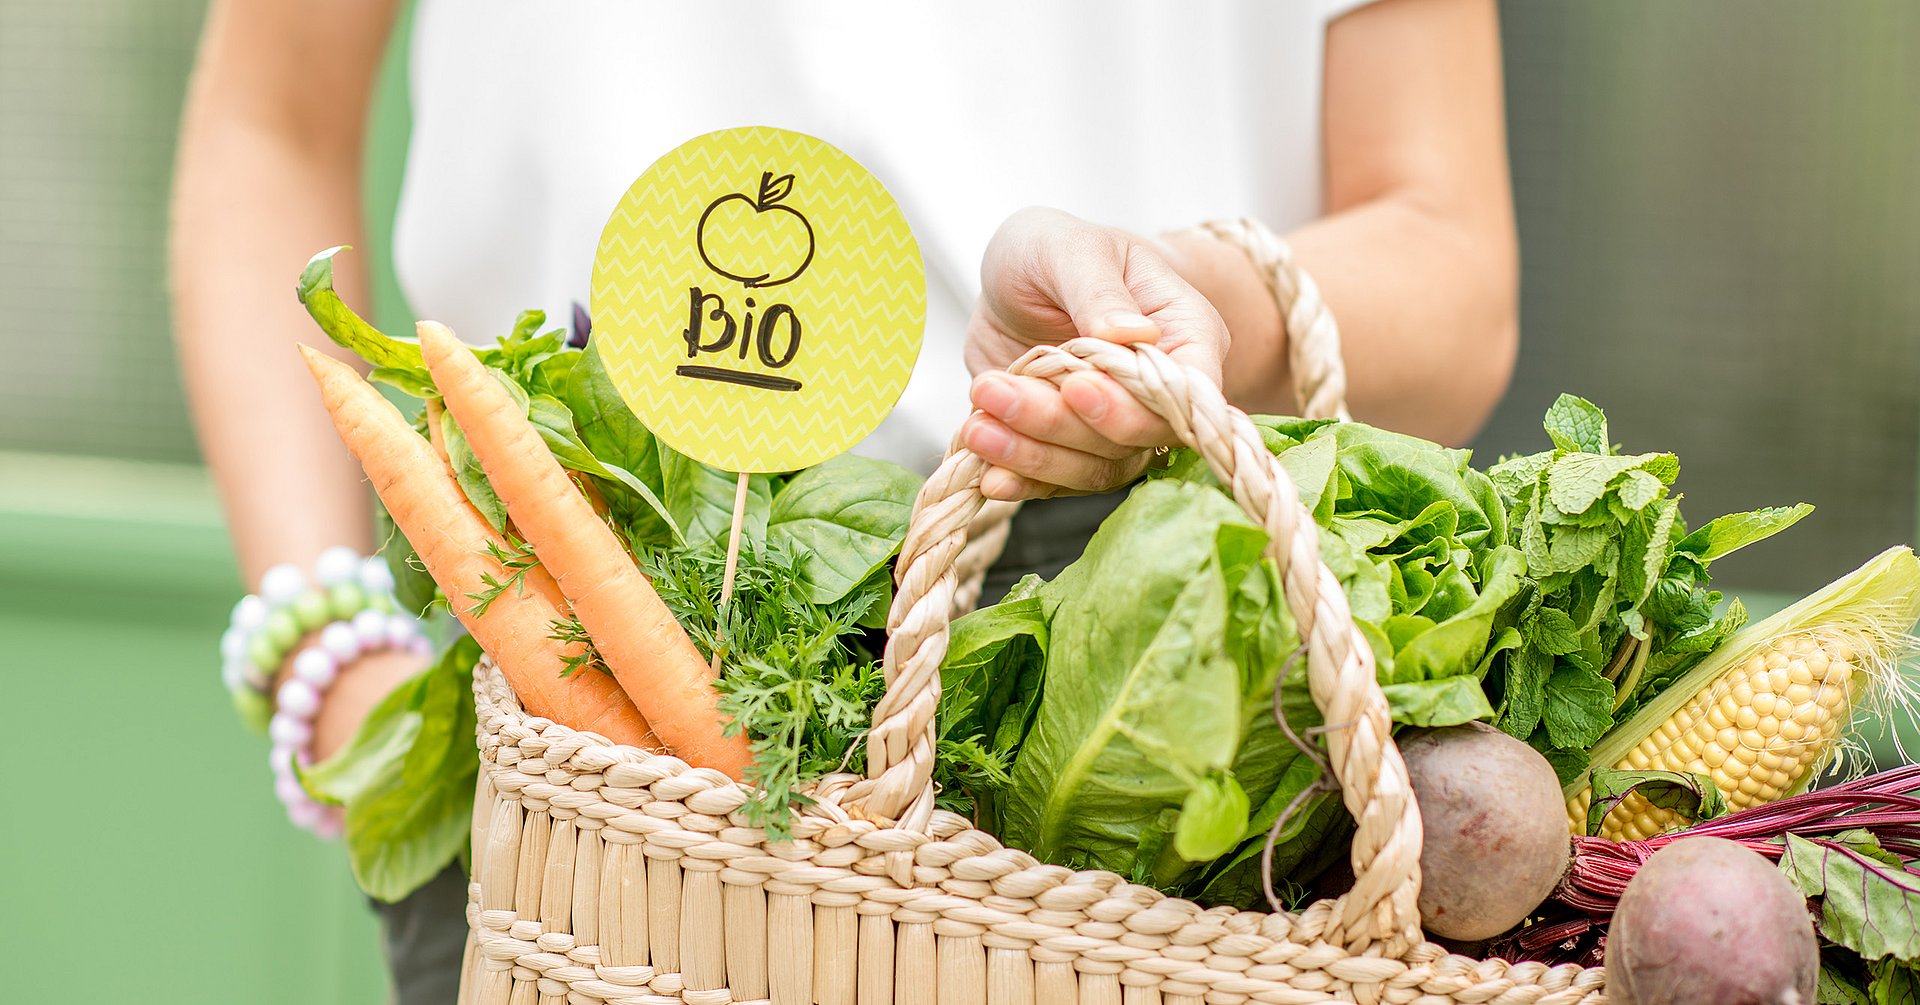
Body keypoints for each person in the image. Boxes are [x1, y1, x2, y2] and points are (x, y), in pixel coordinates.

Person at [170, 1, 1516, 1000]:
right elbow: (268, 124)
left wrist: (1169, 302)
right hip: (574, 646)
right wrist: (329, 650)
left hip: (1124, 671)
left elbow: (1452, 259)